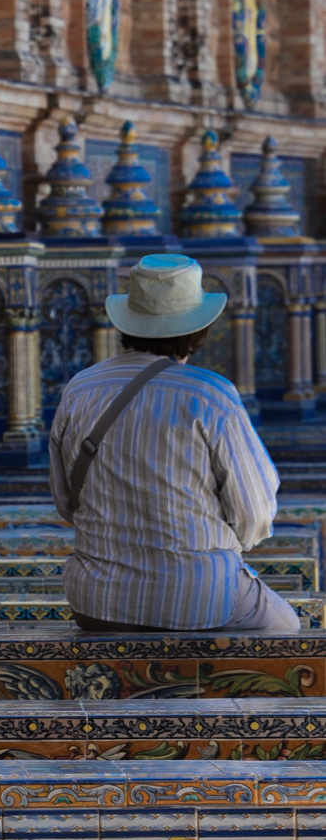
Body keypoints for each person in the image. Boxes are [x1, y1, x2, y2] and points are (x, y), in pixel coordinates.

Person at [49, 253, 299, 633]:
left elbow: (66, 502)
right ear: (200, 330)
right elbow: (254, 515)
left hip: (96, 601)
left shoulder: (80, 388)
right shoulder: (212, 396)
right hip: (201, 597)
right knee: (288, 632)